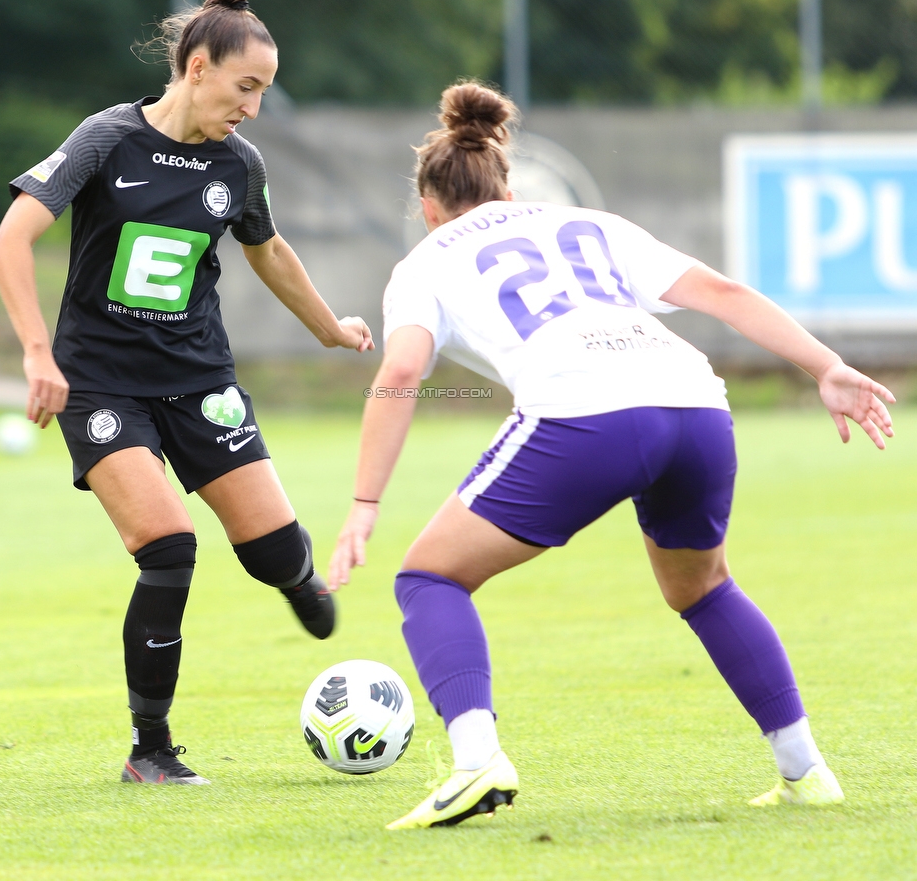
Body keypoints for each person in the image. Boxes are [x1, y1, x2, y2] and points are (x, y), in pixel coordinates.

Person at [328, 81, 895, 829]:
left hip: (585, 415)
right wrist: (826, 366)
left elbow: (401, 375)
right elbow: (721, 290)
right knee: (704, 588)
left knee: (430, 576)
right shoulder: (587, 222)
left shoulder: (427, 259)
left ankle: (475, 763)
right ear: (508, 184)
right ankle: (807, 772)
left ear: (427, 209)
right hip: (696, 406)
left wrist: (364, 505)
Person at [0, 0, 374, 786]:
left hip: (199, 381)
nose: (255, 108)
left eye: (264, 91)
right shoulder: (106, 139)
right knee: (168, 548)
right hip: (100, 386)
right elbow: (10, 239)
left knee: (273, 552)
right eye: (246, 87)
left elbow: (267, 249)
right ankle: (151, 750)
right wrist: (37, 354)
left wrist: (330, 329)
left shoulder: (240, 163)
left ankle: (294, 575)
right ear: (197, 68)